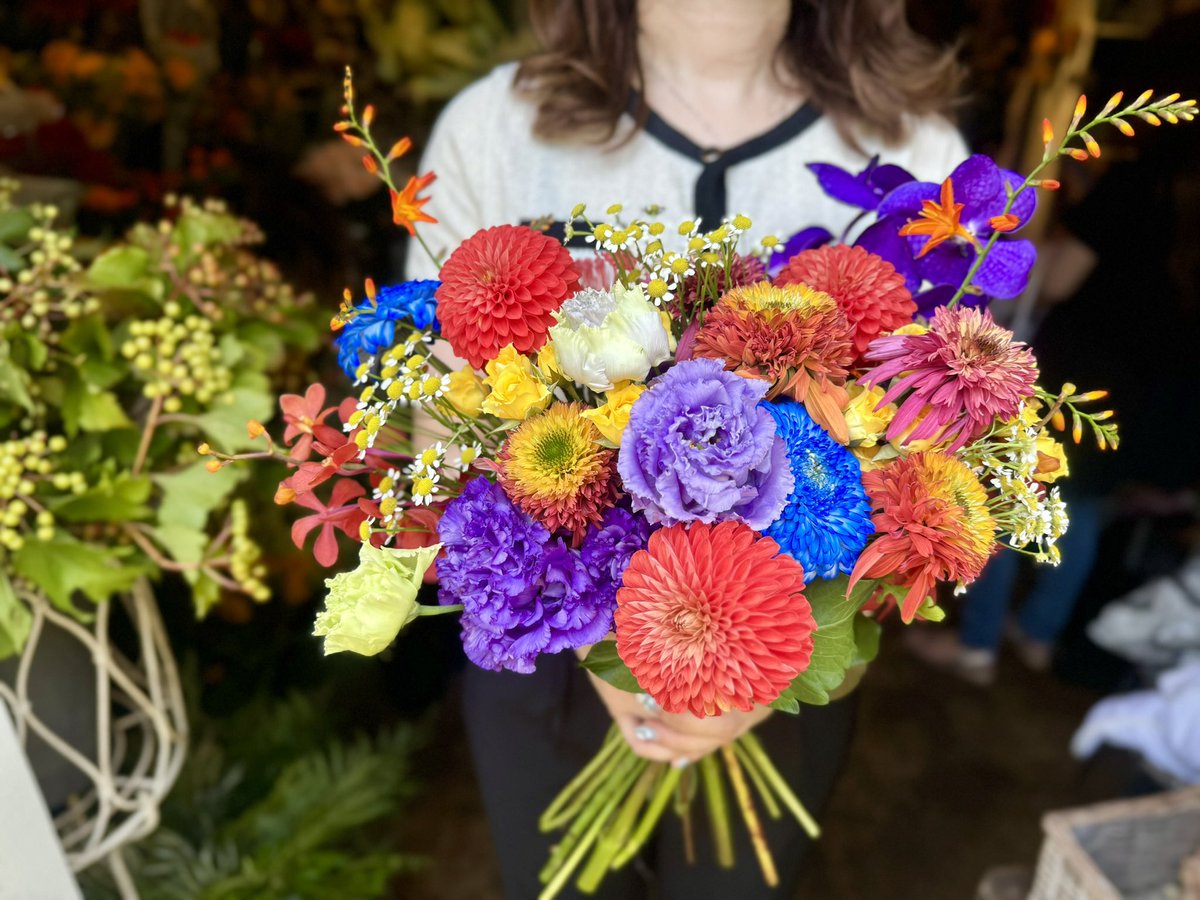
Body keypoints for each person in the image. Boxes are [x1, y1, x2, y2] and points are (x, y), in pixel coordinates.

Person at [406, 1, 968, 896]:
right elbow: (437, 415)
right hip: (557, 659)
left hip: (781, 672)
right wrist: (605, 645)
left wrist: (759, 662)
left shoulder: (920, 158)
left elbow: (939, 447)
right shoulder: (495, 129)